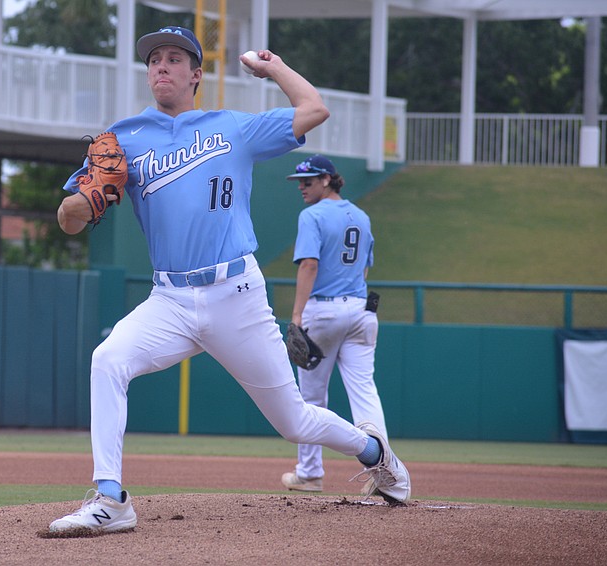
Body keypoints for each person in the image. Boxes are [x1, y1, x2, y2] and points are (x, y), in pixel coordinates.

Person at [50, 26, 410, 535]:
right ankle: (110, 499)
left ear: (196, 75)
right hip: (169, 299)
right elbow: (69, 221)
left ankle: (377, 453)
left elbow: (314, 109)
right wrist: (83, 201)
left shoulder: (232, 127)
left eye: (175, 58)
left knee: (295, 422)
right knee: (107, 360)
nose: (161, 66)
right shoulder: (121, 138)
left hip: (235, 295)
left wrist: (273, 67)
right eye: (154, 59)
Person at [279, 154, 391, 494]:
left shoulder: (312, 215)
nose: (302, 186)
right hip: (360, 311)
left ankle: (310, 472)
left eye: (308, 180)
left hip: (324, 311)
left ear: (327, 179)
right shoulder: (361, 215)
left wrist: (297, 316)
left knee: (312, 399)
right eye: (300, 181)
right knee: (365, 392)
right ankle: (385, 473)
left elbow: (309, 265)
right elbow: (365, 268)